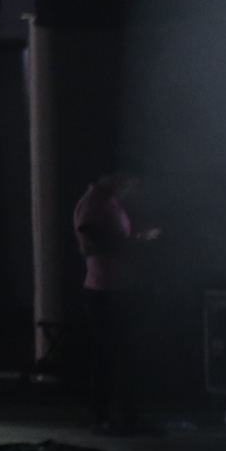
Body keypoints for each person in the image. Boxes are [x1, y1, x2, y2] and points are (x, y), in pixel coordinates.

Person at [71, 170, 159, 434]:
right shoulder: (95, 202)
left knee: (114, 354)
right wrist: (137, 242)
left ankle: (116, 415)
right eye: (127, 183)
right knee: (111, 354)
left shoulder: (105, 201)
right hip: (107, 289)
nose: (130, 189)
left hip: (112, 287)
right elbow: (89, 235)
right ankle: (106, 416)